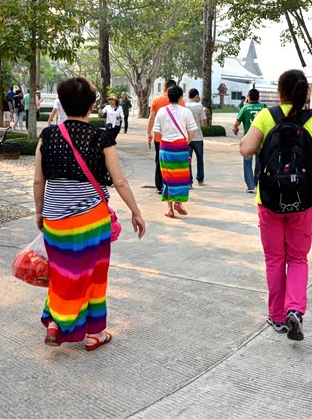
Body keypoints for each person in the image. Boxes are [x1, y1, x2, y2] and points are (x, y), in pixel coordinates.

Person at [33, 76, 146, 350]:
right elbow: (120, 181)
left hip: (55, 220)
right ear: (91, 105)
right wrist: (136, 212)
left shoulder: (47, 136)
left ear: (62, 104)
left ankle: (56, 321)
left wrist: (40, 213)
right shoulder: (101, 138)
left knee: (62, 272)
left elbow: (38, 181)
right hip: (91, 221)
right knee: (94, 275)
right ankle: (94, 333)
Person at [239, 69, 312, 342]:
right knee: (298, 258)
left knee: (275, 259)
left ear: (280, 92)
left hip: (269, 201)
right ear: (305, 93)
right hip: (302, 202)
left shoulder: (266, 116)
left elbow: (245, 149)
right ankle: (295, 310)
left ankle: (277, 317)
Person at [153, 86, 197, 218]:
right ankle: (179, 202)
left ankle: (170, 210)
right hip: (181, 147)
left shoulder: (161, 111)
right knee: (181, 177)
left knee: (167, 178)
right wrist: (185, 142)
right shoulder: (186, 112)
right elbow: (192, 131)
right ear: (180, 97)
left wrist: (167, 138)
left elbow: (156, 132)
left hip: (165, 148)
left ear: (169, 97)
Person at [147, 79, 184, 194]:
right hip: (176, 138)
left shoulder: (157, 100)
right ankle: (172, 186)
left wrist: (149, 133)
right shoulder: (181, 102)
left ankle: (160, 186)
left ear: (164, 87)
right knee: (174, 162)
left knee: (160, 161)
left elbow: (151, 117)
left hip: (160, 138)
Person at [233, 88, 266, 193]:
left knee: (247, 162)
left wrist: (236, 130)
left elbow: (236, 123)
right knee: (259, 162)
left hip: (248, 140)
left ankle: (250, 186)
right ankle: (257, 183)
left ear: (249, 97)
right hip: (261, 139)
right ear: (258, 97)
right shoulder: (263, 108)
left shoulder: (245, 108)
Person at [186, 88, 207, 187]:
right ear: (196, 96)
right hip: (198, 137)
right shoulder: (199, 106)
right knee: (200, 159)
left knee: (188, 160)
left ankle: (189, 181)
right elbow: (203, 122)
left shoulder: (184, 106)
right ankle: (200, 180)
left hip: (187, 137)